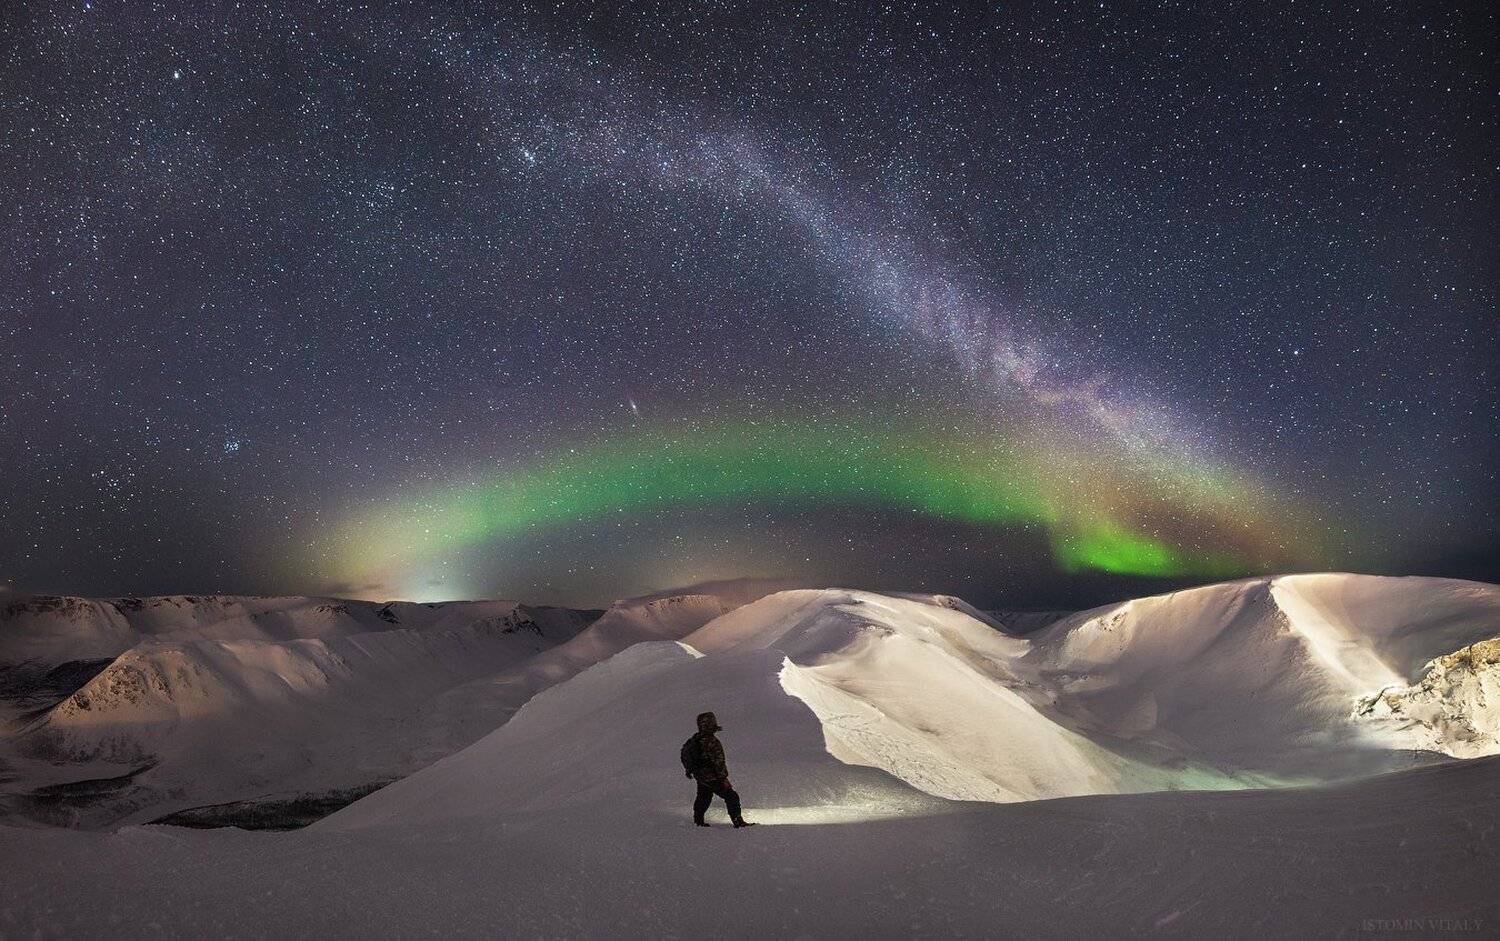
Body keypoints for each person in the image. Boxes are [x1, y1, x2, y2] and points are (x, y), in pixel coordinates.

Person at [680, 711, 755, 828]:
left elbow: (686, 755)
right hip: (712, 776)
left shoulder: (695, 739)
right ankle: (738, 821)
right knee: (731, 796)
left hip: (700, 775)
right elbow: (718, 761)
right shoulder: (711, 741)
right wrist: (723, 778)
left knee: (704, 796)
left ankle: (698, 821)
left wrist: (692, 771)